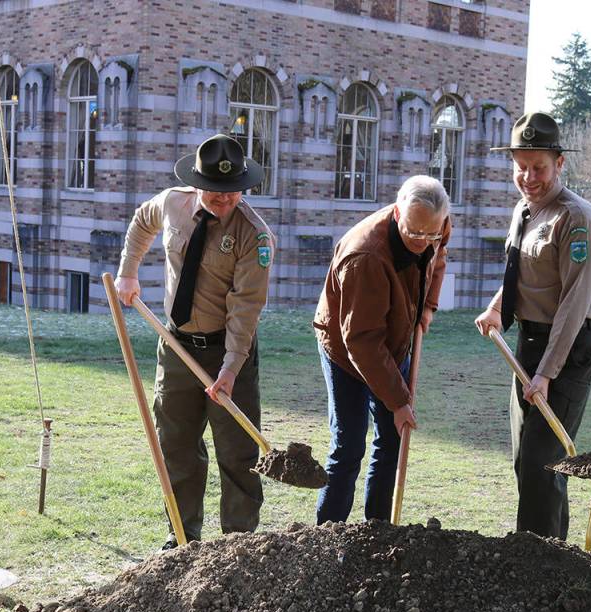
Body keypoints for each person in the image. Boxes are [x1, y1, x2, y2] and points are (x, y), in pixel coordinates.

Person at [115, 134, 275, 548]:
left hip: (228, 348)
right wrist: (128, 272)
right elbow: (140, 222)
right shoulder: (172, 202)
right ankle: (183, 537)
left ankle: (236, 544)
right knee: (177, 444)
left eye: (232, 192)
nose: (223, 201)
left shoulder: (253, 236)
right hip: (177, 345)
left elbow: (245, 310)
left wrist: (230, 369)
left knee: (238, 451)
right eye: (215, 192)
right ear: (197, 183)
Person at [474, 112, 591, 540]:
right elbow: (520, 271)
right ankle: (547, 557)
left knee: (541, 466)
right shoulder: (524, 210)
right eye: (521, 167)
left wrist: (547, 373)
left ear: (560, 163)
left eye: (539, 168)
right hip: (527, 345)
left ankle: (539, 564)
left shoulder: (576, 218)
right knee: (526, 463)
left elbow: (573, 303)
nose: (529, 177)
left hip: (566, 352)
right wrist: (498, 306)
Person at [313, 175, 450, 524]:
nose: (423, 241)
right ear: (397, 212)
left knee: (392, 438)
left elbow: (438, 257)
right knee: (350, 445)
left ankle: (377, 532)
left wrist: (429, 306)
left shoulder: (435, 225)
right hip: (348, 347)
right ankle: (327, 539)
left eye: (430, 234)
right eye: (413, 233)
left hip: (393, 338)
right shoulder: (366, 256)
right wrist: (399, 401)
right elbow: (362, 341)